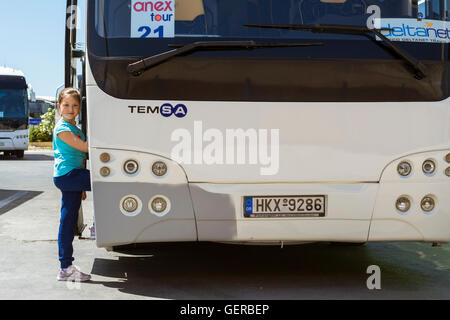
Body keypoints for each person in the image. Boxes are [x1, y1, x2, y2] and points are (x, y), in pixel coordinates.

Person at [53, 88, 91, 282]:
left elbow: (81, 156)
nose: (70, 108)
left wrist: (82, 186)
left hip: (73, 176)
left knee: (68, 221)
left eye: (75, 105)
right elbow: (84, 148)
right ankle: (65, 266)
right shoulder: (62, 128)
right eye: (66, 105)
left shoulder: (74, 127)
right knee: (104, 181)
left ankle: (65, 267)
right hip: (68, 175)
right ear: (59, 107)